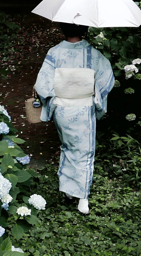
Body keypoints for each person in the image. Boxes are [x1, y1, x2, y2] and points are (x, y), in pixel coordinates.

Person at [33, 22, 115, 214]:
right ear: (85, 31)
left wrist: (53, 100)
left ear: (63, 29)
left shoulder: (54, 52)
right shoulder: (92, 53)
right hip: (84, 108)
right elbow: (106, 78)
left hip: (62, 108)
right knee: (85, 152)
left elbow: (42, 84)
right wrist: (96, 96)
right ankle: (82, 198)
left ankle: (69, 191)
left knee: (68, 147)